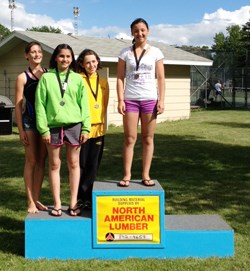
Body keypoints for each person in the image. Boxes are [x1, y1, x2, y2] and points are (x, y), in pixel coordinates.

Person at [35, 44, 91, 216]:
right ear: (55, 58)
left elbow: (85, 106)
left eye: (68, 56)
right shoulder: (47, 78)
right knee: (54, 164)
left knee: (74, 164)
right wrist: (43, 130)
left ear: (72, 58)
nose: (65, 59)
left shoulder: (77, 78)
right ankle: (58, 204)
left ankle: (73, 203)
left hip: (74, 125)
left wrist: (86, 127)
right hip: (52, 127)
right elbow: (40, 105)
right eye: (61, 56)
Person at [116, 18, 165, 187]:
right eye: (136, 30)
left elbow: (160, 78)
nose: (140, 33)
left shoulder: (156, 52)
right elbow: (120, 78)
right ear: (132, 33)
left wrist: (162, 100)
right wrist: (121, 99)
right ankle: (127, 175)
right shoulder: (124, 53)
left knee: (148, 138)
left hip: (149, 100)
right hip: (130, 100)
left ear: (148, 31)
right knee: (130, 138)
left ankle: (146, 175)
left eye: (143, 30)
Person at [15, 41, 48, 214]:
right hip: (29, 122)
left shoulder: (49, 74)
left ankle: (36, 199)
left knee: (42, 161)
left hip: (45, 123)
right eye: (33, 52)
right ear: (27, 55)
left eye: (39, 51)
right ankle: (29, 201)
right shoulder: (22, 77)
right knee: (32, 160)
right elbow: (19, 106)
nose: (36, 54)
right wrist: (20, 130)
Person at [75, 49, 109, 209]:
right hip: (83, 129)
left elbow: (104, 105)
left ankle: (88, 198)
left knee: (93, 165)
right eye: (87, 62)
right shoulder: (78, 79)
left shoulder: (103, 82)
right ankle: (78, 198)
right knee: (80, 164)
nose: (91, 65)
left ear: (98, 61)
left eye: (94, 61)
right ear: (81, 64)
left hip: (99, 130)